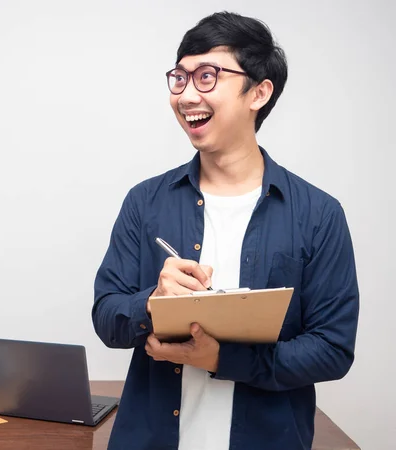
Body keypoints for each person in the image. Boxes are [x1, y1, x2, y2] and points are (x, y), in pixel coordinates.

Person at [92, 11, 359, 450]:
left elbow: (332, 348)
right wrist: (153, 302)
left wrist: (222, 358)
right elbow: (107, 317)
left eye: (207, 76)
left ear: (259, 92)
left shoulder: (319, 214)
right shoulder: (145, 201)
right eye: (179, 77)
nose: (186, 95)